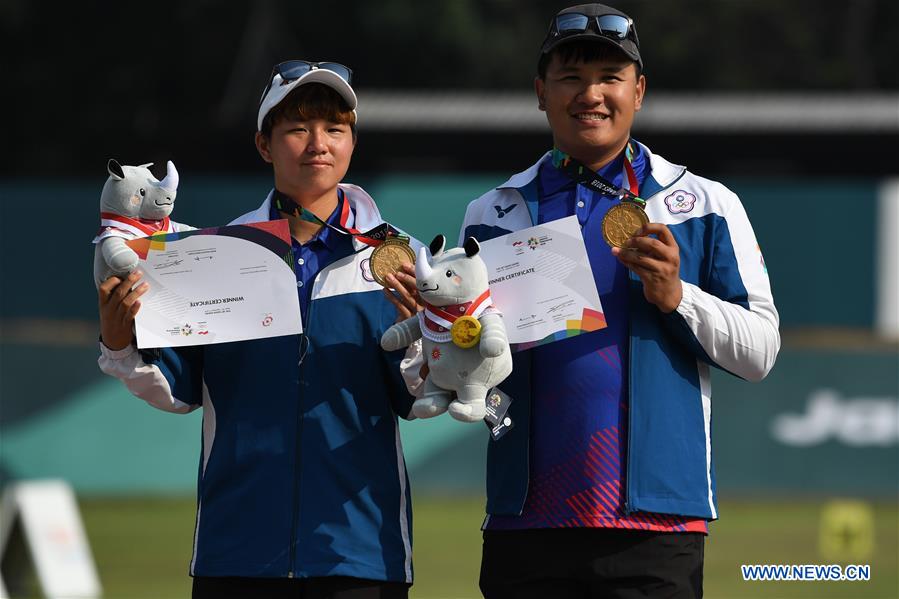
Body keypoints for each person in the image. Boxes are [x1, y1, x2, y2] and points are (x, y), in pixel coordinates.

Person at [459, 4, 780, 597]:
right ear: (540, 92)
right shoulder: (493, 213)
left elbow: (761, 351)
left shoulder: (703, 204)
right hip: (524, 523)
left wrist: (678, 298)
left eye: (610, 77)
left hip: (654, 527)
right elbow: (475, 360)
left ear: (639, 90)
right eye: (571, 78)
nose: (592, 95)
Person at [97, 60, 425, 599]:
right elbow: (176, 389)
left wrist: (423, 339)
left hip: (361, 555)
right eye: (297, 127)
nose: (318, 143)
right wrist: (118, 339)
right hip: (236, 553)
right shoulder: (214, 252)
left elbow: (415, 398)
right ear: (264, 144)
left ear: (351, 142)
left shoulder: (402, 257)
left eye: (334, 128)